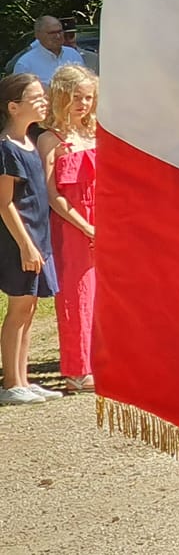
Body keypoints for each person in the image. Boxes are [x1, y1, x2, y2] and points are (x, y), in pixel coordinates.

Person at [0, 73, 59, 405]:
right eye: (36, 97)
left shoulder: (29, 142)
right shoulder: (7, 149)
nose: (44, 101)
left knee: (30, 307)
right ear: (13, 106)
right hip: (19, 241)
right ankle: (10, 382)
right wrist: (25, 244)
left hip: (38, 236)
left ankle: (23, 378)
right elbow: (4, 202)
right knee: (19, 306)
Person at [39, 65, 96, 392]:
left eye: (88, 97)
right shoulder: (50, 139)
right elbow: (52, 194)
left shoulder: (93, 133)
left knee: (104, 294)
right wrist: (87, 226)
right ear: (61, 96)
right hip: (71, 224)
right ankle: (77, 370)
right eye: (76, 97)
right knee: (77, 294)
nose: (83, 103)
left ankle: (100, 359)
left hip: (104, 219)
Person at [12, 16, 83, 86]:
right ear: (38, 35)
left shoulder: (73, 54)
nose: (58, 36)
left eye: (60, 31)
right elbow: (19, 93)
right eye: (52, 33)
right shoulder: (25, 64)